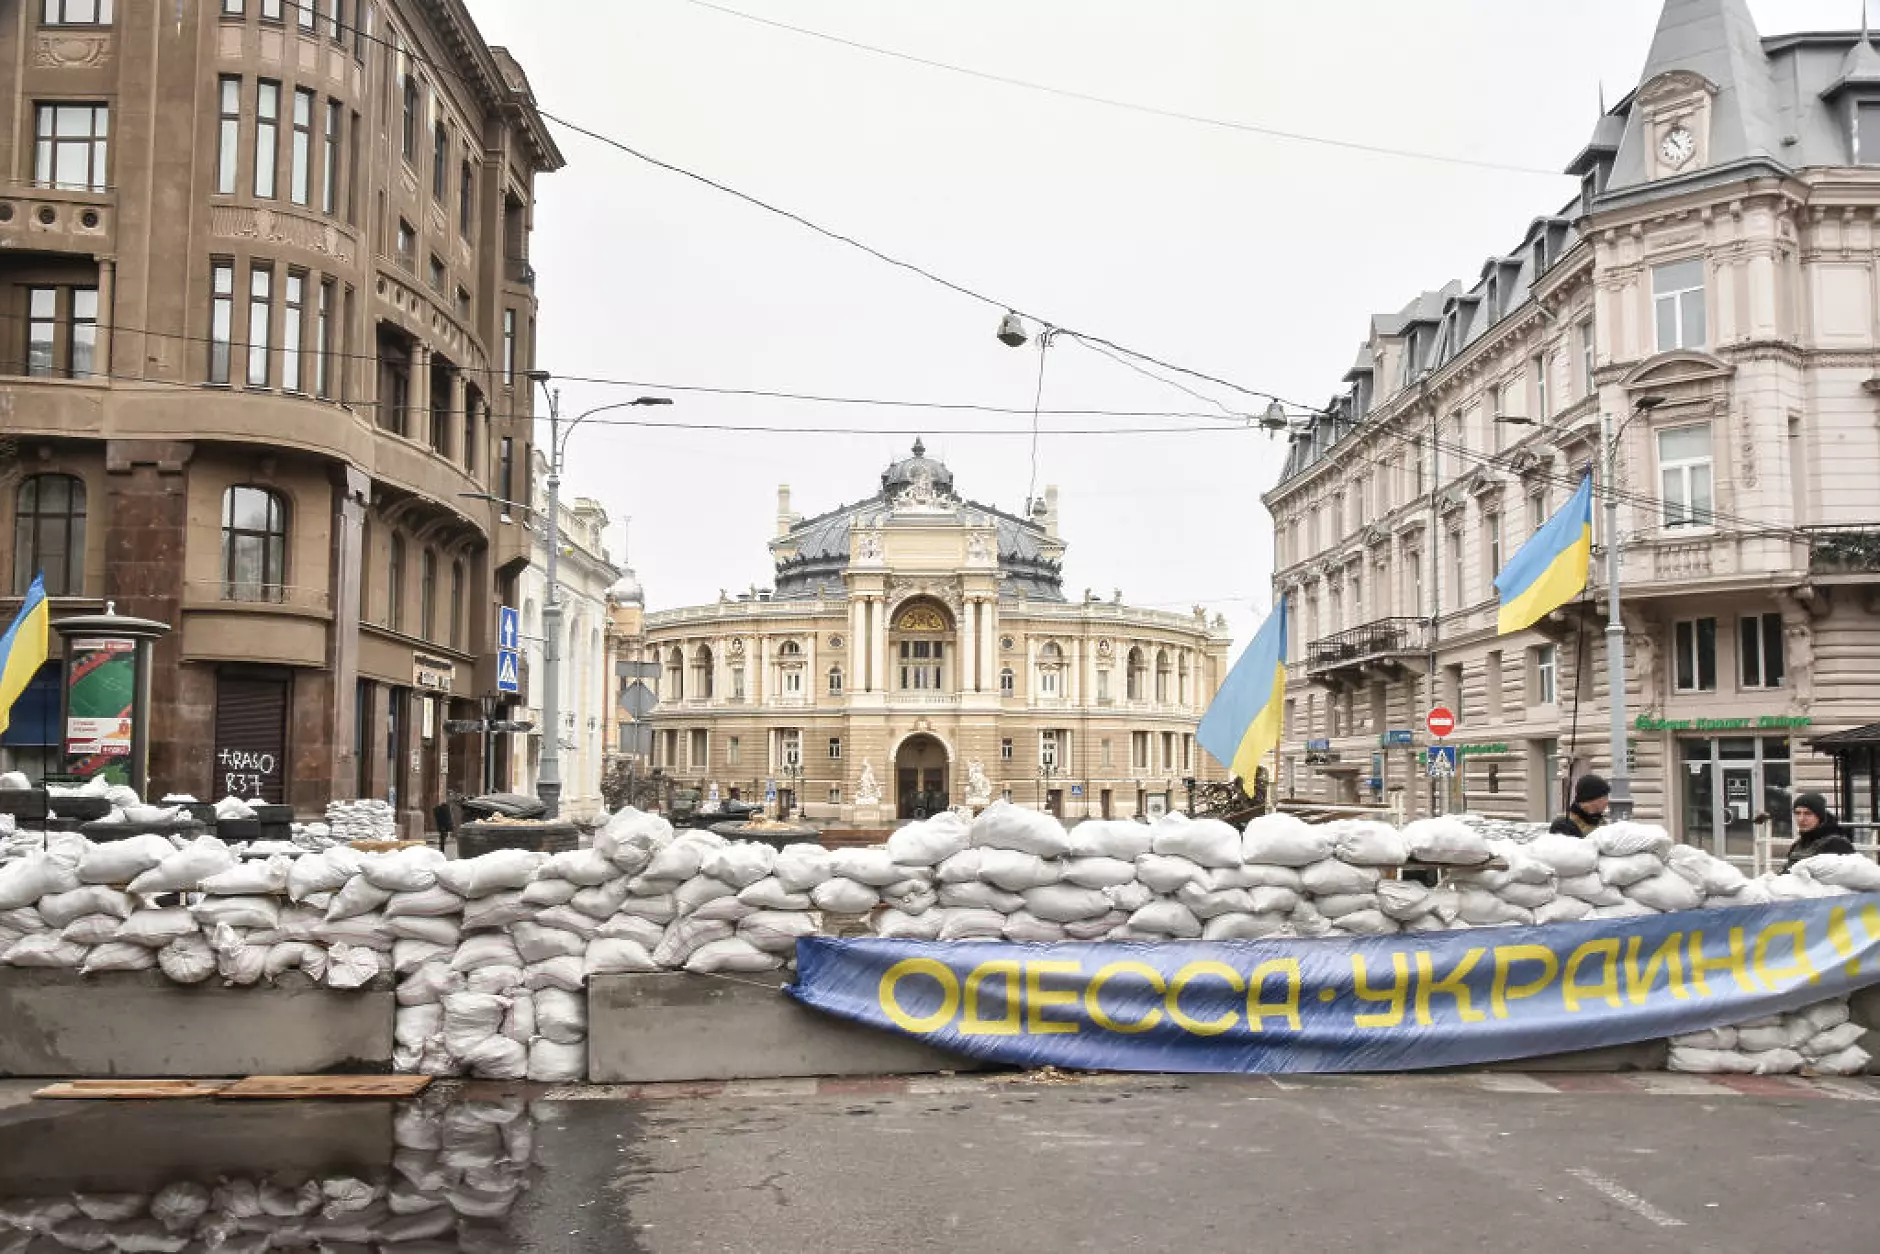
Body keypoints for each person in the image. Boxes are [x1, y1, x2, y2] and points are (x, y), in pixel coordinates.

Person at [1783, 793, 1857, 871]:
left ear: (1820, 816)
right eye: (1797, 813)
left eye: (1808, 813)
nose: (1801, 819)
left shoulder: (1836, 843)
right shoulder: (1798, 845)